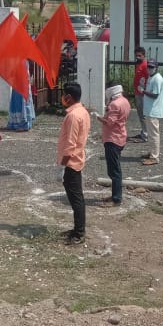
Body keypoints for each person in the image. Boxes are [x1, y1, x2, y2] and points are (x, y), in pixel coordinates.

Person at [56, 82, 91, 245]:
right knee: (76, 197)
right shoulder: (82, 111)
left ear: (68, 97)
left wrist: (62, 166)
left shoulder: (73, 116)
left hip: (71, 162)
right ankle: (78, 228)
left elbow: (70, 145)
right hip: (76, 159)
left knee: (76, 199)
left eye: (63, 94)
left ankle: (79, 233)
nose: (62, 97)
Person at [91, 82, 130, 207]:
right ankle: (115, 195)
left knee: (114, 171)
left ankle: (116, 199)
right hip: (121, 136)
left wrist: (97, 117)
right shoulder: (124, 101)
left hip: (112, 139)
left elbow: (109, 122)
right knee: (115, 169)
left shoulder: (114, 104)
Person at [139, 59, 163, 166]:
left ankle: (155, 157)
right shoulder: (151, 77)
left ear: (156, 67)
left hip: (154, 110)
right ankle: (152, 152)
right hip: (150, 110)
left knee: (154, 134)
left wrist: (143, 91)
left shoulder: (157, 79)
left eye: (151, 67)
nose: (149, 69)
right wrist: (143, 85)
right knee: (150, 133)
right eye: (148, 67)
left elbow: (155, 94)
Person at [5, 61, 35, 132]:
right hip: (17, 84)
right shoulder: (18, 61)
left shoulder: (23, 61)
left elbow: (24, 74)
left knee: (22, 104)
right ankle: (14, 123)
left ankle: (24, 124)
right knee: (15, 103)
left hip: (22, 85)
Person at [128, 47, 149, 143]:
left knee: (143, 115)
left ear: (144, 55)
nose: (137, 57)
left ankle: (145, 134)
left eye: (140, 56)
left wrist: (144, 89)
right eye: (136, 56)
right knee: (141, 114)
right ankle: (144, 132)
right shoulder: (140, 65)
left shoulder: (145, 65)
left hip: (142, 94)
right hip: (138, 93)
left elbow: (148, 79)